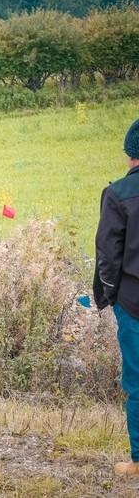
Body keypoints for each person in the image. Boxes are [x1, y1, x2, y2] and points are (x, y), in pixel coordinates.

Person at [94, 118, 139, 475]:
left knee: (137, 383)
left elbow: (108, 256)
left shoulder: (119, 194)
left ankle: (138, 461)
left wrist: (111, 297)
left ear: (130, 155)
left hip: (133, 303)